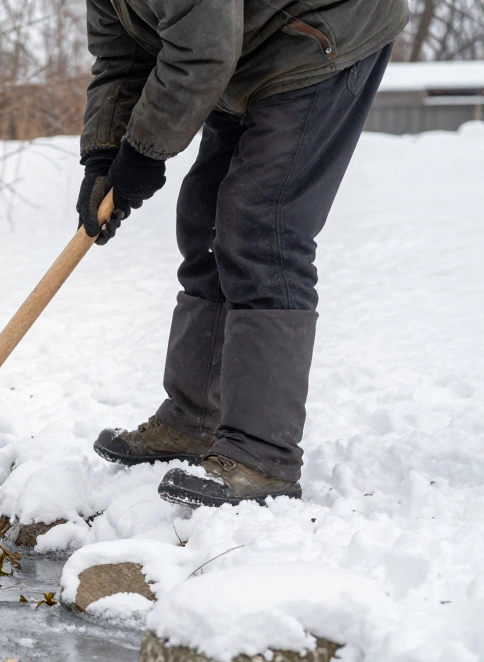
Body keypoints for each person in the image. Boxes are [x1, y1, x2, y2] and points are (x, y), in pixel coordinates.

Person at [78, 0, 408, 508]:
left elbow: (203, 51)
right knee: (205, 218)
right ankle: (195, 420)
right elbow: (121, 58)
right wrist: (104, 156)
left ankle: (262, 454)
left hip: (322, 31)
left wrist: (143, 154)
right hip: (248, 43)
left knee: (261, 225)